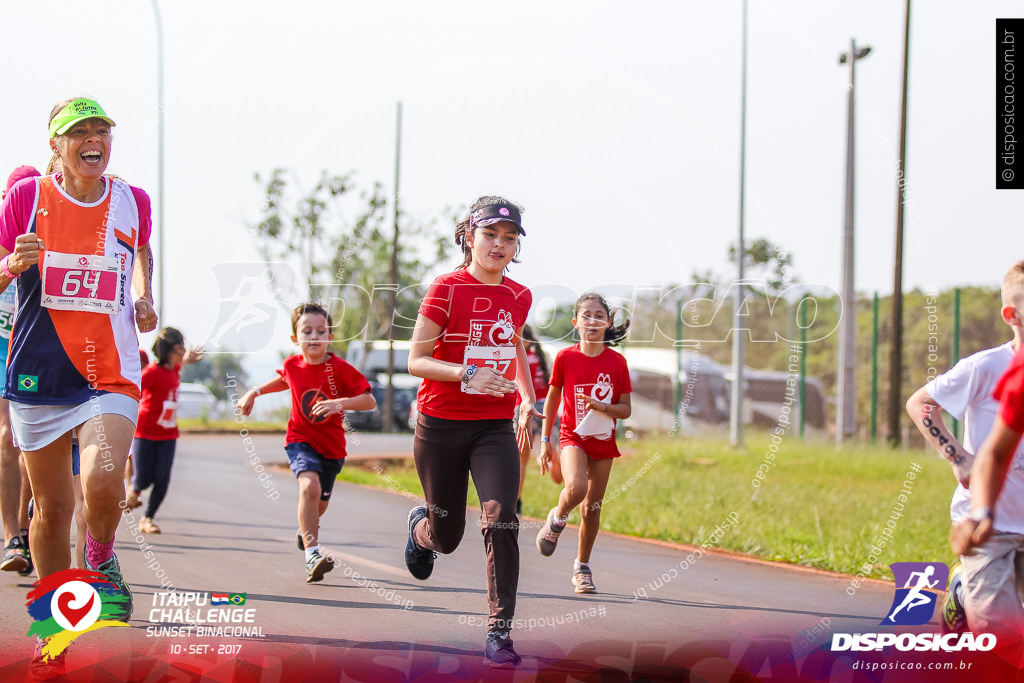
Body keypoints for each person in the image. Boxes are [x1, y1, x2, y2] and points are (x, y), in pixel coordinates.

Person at [0, 95, 157, 667]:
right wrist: (13, 266)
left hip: (109, 371)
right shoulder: (25, 198)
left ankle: (102, 554)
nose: (95, 140)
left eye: (102, 131)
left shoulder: (132, 199)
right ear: (56, 146)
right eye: (80, 132)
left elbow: (140, 253)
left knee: (103, 484)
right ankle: (54, 627)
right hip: (40, 369)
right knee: (50, 510)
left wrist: (144, 297)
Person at [404, 196, 537, 668]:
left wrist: (527, 398)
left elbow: (514, 345)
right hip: (440, 425)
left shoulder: (519, 296)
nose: (499, 246)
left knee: (501, 517)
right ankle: (421, 531)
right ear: (469, 236)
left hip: (493, 426)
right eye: (490, 235)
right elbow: (415, 360)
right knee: (448, 537)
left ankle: (499, 632)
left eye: (509, 239)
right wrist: (465, 373)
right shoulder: (446, 288)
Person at [907, 262, 1024, 637]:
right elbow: (920, 403)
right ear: (1012, 314)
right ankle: (962, 593)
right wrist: (959, 458)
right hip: (989, 529)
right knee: (1003, 640)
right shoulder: (987, 367)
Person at [237, 302, 374, 582]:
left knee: (320, 503)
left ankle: (306, 530)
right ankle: (312, 553)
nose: (314, 337)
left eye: (320, 331)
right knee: (309, 487)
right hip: (300, 441)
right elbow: (282, 380)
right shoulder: (292, 364)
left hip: (333, 449)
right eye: (307, 331)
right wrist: (253, 392)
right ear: (295, 338)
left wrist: (339, 403)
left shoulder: (340, 369)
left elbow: (369, 400)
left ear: (330, 337)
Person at [536, 293, 632, 594]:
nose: (593, 320)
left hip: (603, 441)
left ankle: (582, 567)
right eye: (586, 315)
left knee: (592, 508)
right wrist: (544, 440)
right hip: (571, 436)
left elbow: (625, 409)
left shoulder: (617, 363)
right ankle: (557, 519)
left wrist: (601, 407)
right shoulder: (566, 358)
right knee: (576, 488)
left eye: (599, 315)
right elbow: (552, 399)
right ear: (576, 323)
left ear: (608, 322)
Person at [950, 265, 1024, 641]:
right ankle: (965, 591)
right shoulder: (1012, 374)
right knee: (1005, 642)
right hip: (997, 527)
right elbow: (993, 455)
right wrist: (981, 513)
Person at [0, 166, 39, 577]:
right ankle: (12, 536)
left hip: (32, 345)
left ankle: (29, 531)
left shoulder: (47, 228)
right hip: (1, 345)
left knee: (29, 444)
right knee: (8, 438)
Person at [126, 328, 202, 533]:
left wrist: (188, 359)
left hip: (168, 434)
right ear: (172, 348)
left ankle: (147, 518)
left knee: (162, 478)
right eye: (182, 346)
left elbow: (180, 363)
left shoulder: (174, 369)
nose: (185, 349)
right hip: (145, 431)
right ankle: (133, 491)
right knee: (143, 477)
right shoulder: (151, 372)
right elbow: (134, 391)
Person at [515, 325, 551, 515]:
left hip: (525, 409)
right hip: (544, 408)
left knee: (521, 460)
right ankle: (548, 463)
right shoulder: (542, 357)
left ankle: (517, 501)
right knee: (544, 450)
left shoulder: (520, 358)